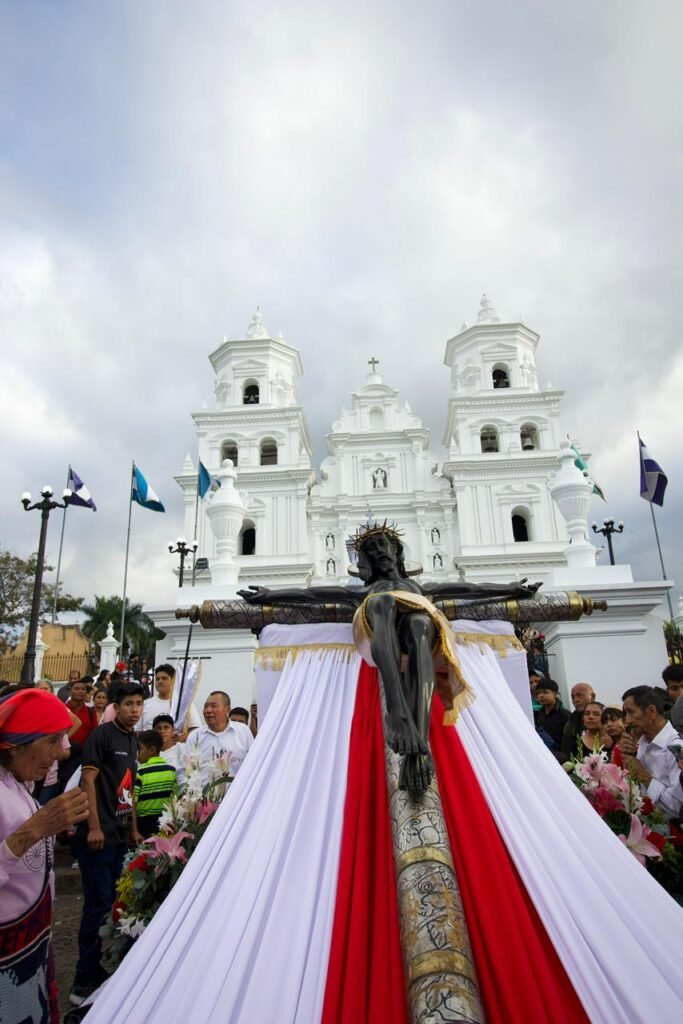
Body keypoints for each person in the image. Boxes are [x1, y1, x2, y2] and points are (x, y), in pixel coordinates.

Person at [239, 519, 539, 792]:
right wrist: (269, 595)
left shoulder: (420, 586)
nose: (380, 550)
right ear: (366, 560)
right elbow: (312, 596)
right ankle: (398, 712)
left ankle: (417, 741)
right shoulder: (366, 589)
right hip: (376, 625)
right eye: (372, 548)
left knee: (421, 621)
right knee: (383, 603)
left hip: (419, 633)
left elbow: (469, 588)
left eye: (384, 544)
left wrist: (512, 589)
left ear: (397, 552)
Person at [0, 689, 89, 1023]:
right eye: (52, 741)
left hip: (29, 947)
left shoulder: (17, 782)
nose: (61, 753)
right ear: (19, 743)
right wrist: (33, 831)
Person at [70, 681, 145, 1006]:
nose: (135, 710)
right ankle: (82, 978)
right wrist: (94, 827)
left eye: (139, 704)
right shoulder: (101, 735)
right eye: (129, 704)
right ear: (116, 705)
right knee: (97, 906)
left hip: (120, 835)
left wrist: (133, 828)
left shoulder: (132, 739)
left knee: (114, 904)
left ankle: (103, 968)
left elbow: (129, 787)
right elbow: (88, 779)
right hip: (98, 838)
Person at [620, 685, 683, 818]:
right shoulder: (642, 743)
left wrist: (642, 774)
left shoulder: (676, 747)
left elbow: (678, 807)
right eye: (625, 714)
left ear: (651, 711)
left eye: (631, 712)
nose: (627, 721)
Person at [182, 691, 253, 786]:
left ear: (227, 710)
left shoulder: (243, 732)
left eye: (213, 706)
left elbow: (254, 763)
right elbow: (184, 769)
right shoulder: (195, 736)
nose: (208, 710)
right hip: (204, 798)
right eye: (206, 706)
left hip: (238, 796)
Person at [136, 664, 201, 736]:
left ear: (173, 681)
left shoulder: (184, 704)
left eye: (164, 678)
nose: (160, 681)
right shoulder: (145, 704)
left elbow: (195, 728)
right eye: (157, 679)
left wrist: (182, 738)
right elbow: (137, 731)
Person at [134, 731, 177, 838]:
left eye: (139, 749)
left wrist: (133, 830)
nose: (137, 753)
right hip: (167, 823)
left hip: (143, 825)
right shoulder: (171, 771)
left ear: (152, 750)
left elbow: (133, 804)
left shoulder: (140, 772)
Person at [559, 682, 596, 760]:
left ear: (592, 697)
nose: (576, 700)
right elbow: (566, 751)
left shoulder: (605, 717)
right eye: (573, 697)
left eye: (580, 695)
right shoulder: (571, 723)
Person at [533, 679, 568, 752]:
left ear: (555, 694)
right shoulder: (536, 715)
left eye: (545, 692)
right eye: (538, 693)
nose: (541, 695)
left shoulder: (565, 715)